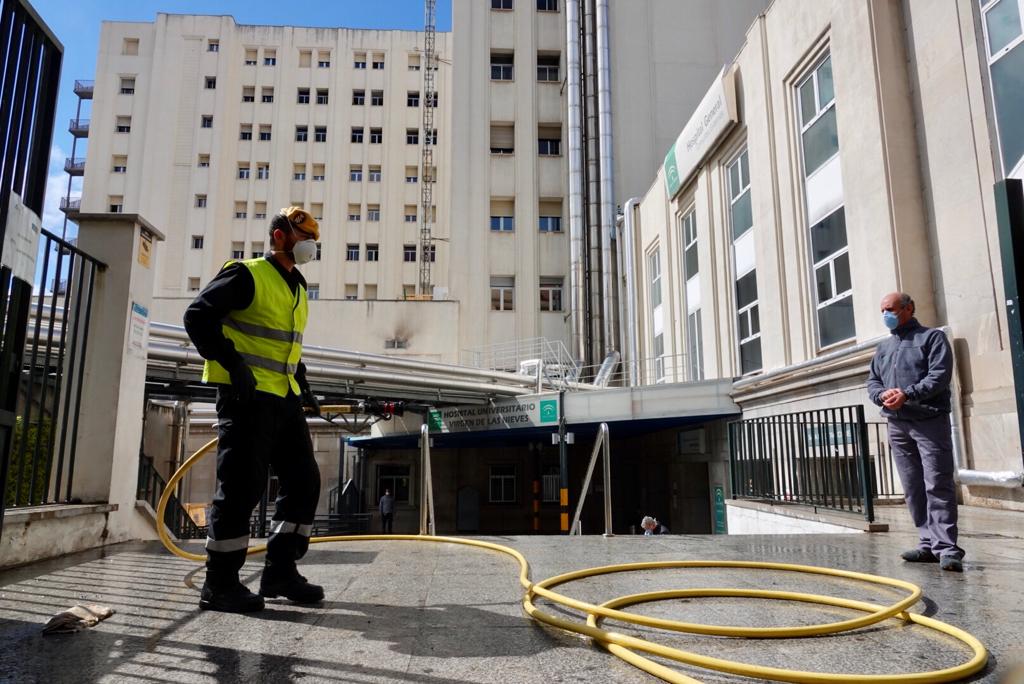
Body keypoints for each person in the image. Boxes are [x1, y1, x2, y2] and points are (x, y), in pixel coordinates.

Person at [184, 206, 326, 612]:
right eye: (304, 238)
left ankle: (280, 571)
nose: (310, 246)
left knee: (304, 481)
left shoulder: (296, 286)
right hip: (246, 397)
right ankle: (219, 584)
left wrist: (303, 385)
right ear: (280, 237)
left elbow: (286, 345)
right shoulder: (246, 274)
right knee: (242, 487)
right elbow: (197, 317)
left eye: (313, 240)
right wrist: (233, 364)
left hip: (284, 396)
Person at [866, 292, 964, 572]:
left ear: (908, 308)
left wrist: (907, 394)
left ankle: (947, 548)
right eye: (882, 310)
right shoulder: (884, 348)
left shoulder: (932, 338)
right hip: (897, 424)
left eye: (890, 309)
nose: (886, 315)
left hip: (929, 421)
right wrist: (882, 395)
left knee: (937, 483)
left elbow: (939, 376)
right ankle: (927, 543)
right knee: (913, 486)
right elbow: (873, 381)